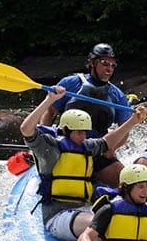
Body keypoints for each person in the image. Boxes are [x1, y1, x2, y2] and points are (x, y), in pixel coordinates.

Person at [20, 85, 147, 241]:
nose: (83, 136)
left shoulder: (87, 146)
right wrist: (49, 100)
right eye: (79, 132)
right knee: (98, 223)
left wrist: (133, 121)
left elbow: (108, 141)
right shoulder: (49, 149)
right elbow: (26, 129)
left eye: (85, 132)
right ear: (66, 130)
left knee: (124, 218)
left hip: (83, 209)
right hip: (57, 215)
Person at [38, 43, 134, 187]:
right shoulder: (70, 83)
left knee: (130, 185)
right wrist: (44, 141)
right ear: (93, 63)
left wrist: (112, 149)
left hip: (96, 149)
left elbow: (125, 129)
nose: (109, 69)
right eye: (105, 63)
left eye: (113, 65)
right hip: (66, 146)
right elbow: (50, 111)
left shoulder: (117, 95)